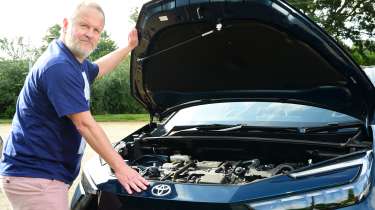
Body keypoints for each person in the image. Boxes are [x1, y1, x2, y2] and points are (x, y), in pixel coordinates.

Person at [0, 1, 149, 210]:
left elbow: (97, 69)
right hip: (35, 177)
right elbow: (84, 125)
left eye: (96, 30)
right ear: (66, 24)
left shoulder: (72, 60)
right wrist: (121, 168)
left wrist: (129, 47)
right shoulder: (59, 66)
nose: (90, 33)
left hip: (40, 174)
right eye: (84, 26)